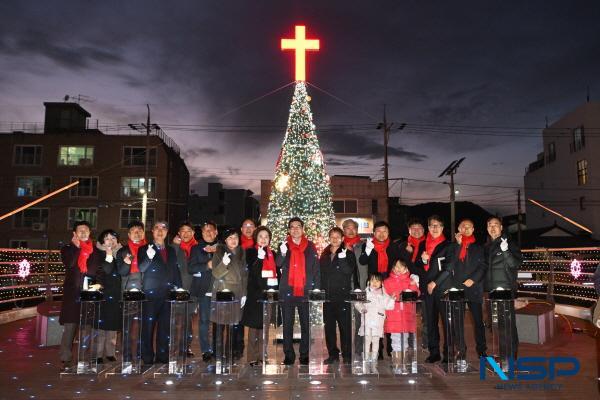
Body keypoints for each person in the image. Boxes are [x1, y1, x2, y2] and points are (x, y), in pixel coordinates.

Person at [433, 219, 488, 359]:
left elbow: (483, 266)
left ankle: (482, 351)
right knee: (458, 322)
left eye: (469, 226)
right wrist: (458, 245)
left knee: (478, 322)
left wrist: (474, 279)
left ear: (473, 229)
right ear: (458, 229)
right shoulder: (452, 247)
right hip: (457, 289)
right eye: (463, 226)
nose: (466, 228)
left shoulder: (479, 247)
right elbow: (449, 265)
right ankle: (461, 350)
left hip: (474, 288)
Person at [276, 217, 320, 365]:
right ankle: (289, 354)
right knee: (287, 324)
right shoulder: (283, 245)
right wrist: (282, 253)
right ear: (289, 230)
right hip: (287, 290)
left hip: (305, 290)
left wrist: (316, 287)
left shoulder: (310, 246)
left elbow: (315, 269)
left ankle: (304, 354)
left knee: (305, 324)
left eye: (298, 226)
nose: (295, 229)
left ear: (303, 229)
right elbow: (278, 264)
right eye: (292, 227)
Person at [137, 221, 182, 365]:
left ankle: (162, 357)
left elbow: (175, 270)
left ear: (167, 232)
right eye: (156, 228)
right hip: (150, 294)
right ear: (152, 231)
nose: (160, 231)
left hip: (167, 294)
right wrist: (149, 257)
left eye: (163, 228)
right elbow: (141, 268)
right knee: (148, 328)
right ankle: (147, 357)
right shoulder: (144, 249)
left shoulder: (171, 250)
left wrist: (179, 288)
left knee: (164, 328)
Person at [58, 221, 100, 372]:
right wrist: (76, 248)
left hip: (88, 292)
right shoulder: (68, 249)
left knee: (87, 327)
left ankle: (84, 358)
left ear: (90, 232)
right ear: (74, 233)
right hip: (72, 293)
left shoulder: (95, 250)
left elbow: (98, 269)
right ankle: (66, 359)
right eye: (80, 230)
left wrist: (98, 284)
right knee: (70, 327)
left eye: (86, 230)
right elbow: (69, 263)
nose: (83, 232)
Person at [415, 215, 453, 363]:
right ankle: (434, 352)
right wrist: (423, 260)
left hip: (442, 288)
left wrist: (435, 283)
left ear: (442, 228)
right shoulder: (423, 244)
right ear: (428, 228)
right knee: (430, 322)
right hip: (427, 289)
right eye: (432, 226)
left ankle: (449, 353)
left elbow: (449, 268)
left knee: (446, 322)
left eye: (437, 226)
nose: (434, 228)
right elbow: (418, 264)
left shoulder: (448, 245)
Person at [483, 216, 521, 359]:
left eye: (496, 225)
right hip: (492, 291)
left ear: (501, 227)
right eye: (490, 225)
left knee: (507, 325)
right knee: (497, 325)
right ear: (487, 228)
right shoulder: (486, 247)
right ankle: (502, 354)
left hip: (505, 290)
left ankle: (510, 356)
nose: (493, 228)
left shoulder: (509, 243)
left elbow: (515, 264)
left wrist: (506, 251)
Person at [241, 226, 279, 366]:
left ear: (269, 239)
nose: (263, 239)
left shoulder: (272, 254)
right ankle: (251, 357)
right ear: (256, 238)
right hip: (254, 295)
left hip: (268, 295)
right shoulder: (250, 252)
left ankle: (263, 355)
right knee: (253, 327)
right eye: (261, 236)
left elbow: (276, 274)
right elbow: (250, 273)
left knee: (265, 327)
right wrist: (258, 259)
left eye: (266, 237)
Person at [320, 227, 357, 364]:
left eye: (337, 237)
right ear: (329, 238)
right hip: (328, 297)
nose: (334, 239)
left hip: (342, 296)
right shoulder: (324, 254)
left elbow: (348, 271)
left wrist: (341, 259)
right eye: (332, 236)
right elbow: (321, 274)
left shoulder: (348, 253)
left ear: (342, 239)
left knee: (344, 327)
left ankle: (347, 355)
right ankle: (333, 354)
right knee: (329, 328)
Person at [210, 228, 248, 360]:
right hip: (223, 291)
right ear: (225, 240)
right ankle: (218, 353)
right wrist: (224, 263)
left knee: (233, 325)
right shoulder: (219, 252)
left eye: (236, 237)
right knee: (220, 325)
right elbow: (215, 273)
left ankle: (230, 352)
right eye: (230, 238)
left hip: (237, 292)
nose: (234, 240)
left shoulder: (241, 252)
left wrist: (244, 293)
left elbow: (244, 275)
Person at [188, 221, 219, 362]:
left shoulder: (222, 247)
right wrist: (206, 265)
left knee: (219, 321)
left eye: (211, 230)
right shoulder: (196, 248)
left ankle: (218, 349)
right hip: (204, 289)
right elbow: (191, 268)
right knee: (204, 320)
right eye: (205, 230)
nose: (208, 232)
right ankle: (206, 350)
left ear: (216, 232)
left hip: (220, 289)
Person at [92, 229, 123, 364]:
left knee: (112, 324)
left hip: (116, 293)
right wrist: (109, 255)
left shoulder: (121, 253)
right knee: (101, 324)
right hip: (103, 292)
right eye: (107, 238)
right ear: (102, 241)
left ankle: (110, 352)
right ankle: (97, 354)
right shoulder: (98, 253)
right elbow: (106, 270)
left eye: (113, 238)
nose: (110, 241)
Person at [397, 218, 427, 349]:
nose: (416, 231)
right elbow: (400, 264)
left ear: (423, 230)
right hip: (407, 285)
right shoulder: (402, 245)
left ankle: (426, 342)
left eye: (419, 228)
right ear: (409, 231)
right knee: (408, 314)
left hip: (425, 283)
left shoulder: (429, 243)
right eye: (413, 229)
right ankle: (409, 341)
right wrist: (407, 253)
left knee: (427, 315)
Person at [384, 260, 420, 365]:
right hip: (393, 315)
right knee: (395, 339)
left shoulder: (410, 281)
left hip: (406, 314)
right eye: (396, 266)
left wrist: (413, 285)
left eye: (401, 267)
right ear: (392, 268)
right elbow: (384, 297)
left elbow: (416, 294)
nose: (398, 269)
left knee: (405, 338)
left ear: (406, 269)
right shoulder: (387, 282)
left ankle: (404, 361)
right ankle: (397, 362)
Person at [171, 221, 199, 357]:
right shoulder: (174, 247)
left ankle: (186, 346)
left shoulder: (198, 248)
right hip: (177, 289)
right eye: (183, 231)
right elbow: (171, 263)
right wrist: (175, 246)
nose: (186, 233)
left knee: (187, 321)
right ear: (179, 233)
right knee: (176, 320)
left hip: (193, 289)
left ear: (193, 233)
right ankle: (174, 346)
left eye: (189, 231)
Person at [355, 273, 395, 362]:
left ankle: (374, 359)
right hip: (367, 321)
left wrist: (392, 299)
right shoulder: (365, 293)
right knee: (367, 340)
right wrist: (362, 309)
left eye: (377, 281)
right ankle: (365, 358)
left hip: (378, 322)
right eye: (372, 280)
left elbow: (389, 306)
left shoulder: (384, 295)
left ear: (381, 283)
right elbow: (358, 303)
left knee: (376, 341)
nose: (375, 283)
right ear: (369, 282)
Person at [116, 221, 147, 291]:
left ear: (143, 233)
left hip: (147, 285)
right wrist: (126, 264)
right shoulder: (122, 251)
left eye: (139, 230)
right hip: (128, 286)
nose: (137, 233)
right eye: (133, 231)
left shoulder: (149, 249)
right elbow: (121, 272)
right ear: (129, 235)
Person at [342, 219, 365, 289]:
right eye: (348, 228)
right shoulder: (339, 246)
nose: (351, 231)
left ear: (357, 230)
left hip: (362, 283)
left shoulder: (364, 245)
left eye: (354, 228)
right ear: (344, 230)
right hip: (344, 284)